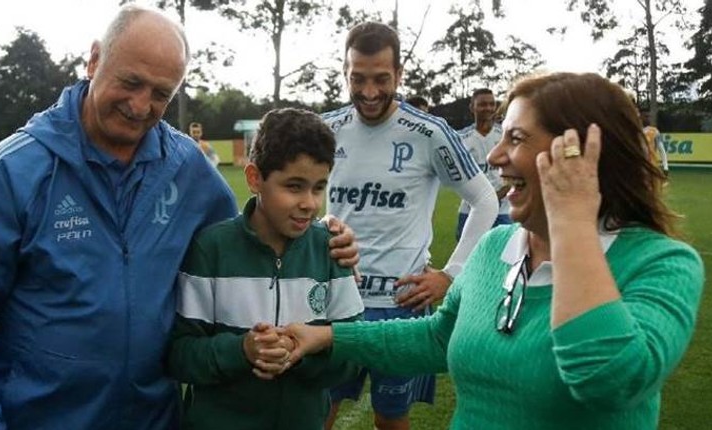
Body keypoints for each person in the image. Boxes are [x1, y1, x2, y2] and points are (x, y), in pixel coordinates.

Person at [0, 6, 358, 429]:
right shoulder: (13, 170)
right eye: (130, 82)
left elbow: (248, 240)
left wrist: (323, 241)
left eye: (160, 94)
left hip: (155, 417)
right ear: (94, 60)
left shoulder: (187, 168)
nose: (140, 105)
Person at [282, 72, 704, 429]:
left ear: (578, 155)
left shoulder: (662, 264)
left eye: (516, 138)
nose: (497, 156)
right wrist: (326, 335)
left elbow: (607, 379)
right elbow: (437, 336)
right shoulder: (495, 246)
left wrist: (572, 221)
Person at [321, 22, 498, 430]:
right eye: (358, 78)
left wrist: (451, 276)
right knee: (316, 412)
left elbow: (485, 199)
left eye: (381, 79)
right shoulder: (326, 130)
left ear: (399, 75)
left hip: (402, 307)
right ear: (345, 72)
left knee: (391, 418)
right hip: (335, 300)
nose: (368, 92)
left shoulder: (430, 133)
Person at [166, 108, 365, 430]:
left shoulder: (330, 251)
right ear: (255, 178)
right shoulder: (211, 249)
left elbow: (356, 352)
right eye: (294, 186)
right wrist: (242, 350)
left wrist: (302, 352)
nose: (310, 203)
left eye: (318, 187)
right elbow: (180, 355)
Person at [456, 88, 512, 241]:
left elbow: (516, 172)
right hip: (470, 210)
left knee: (503, 260)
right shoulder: (460, 139)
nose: (488, 108)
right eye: (482, 104)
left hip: (502, 211)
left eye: (491, 104)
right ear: (472, 107)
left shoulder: (506, 135)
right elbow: (456, 177)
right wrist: (479, 198)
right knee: (465, 260)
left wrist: (497, 196)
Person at [640, 110, 669, 178]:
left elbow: (661, 149)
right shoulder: (637, 131)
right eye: (645, 117)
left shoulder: (654, 131)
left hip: (652, 164)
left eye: (648, 117)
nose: (647, 119)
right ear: (640, 118)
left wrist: (665, 166)